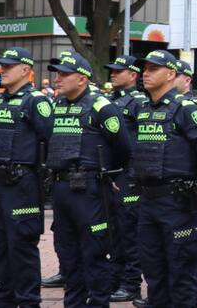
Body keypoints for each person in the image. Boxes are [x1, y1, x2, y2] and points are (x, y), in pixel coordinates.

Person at [41, 51, 130, 307]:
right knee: (68, 253)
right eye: (57, 73)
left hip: (89, 189)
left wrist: (109, 174)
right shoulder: (59, 105)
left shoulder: (102, 107)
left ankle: (99, 302)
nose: (58, 78)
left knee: (94, 252)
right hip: (61, 188)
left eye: (64, 74)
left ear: (82, 79)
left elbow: (123, 147)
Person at [133, 48, 197, 308]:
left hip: (177, 203)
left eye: (153, 69)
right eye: (144, 69)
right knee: (154, 274)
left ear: (171, 74)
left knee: (181, 275)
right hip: (147, 202)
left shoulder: (186, 108)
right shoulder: (143, 108)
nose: (146, 74)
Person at [0, 47, 54, 308]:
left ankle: (28, 300)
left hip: (22, 182)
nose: (3, 70)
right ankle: (5, 298)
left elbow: (51, 139)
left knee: (21, 244)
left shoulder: (37, 101)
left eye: (9, 66)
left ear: (26, 70)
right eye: (2, 65)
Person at [103, 55, 147, 303]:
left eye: (118, 70)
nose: (113, 73)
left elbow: (142, 143)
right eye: (112, 69)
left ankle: (131, 283)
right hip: (112, 175)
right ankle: (115, 277)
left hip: (129, 176)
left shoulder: (138, 102)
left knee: (129, 231)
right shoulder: (111, 101)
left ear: (133, 75)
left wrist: (130, 173)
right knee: (114, 231)